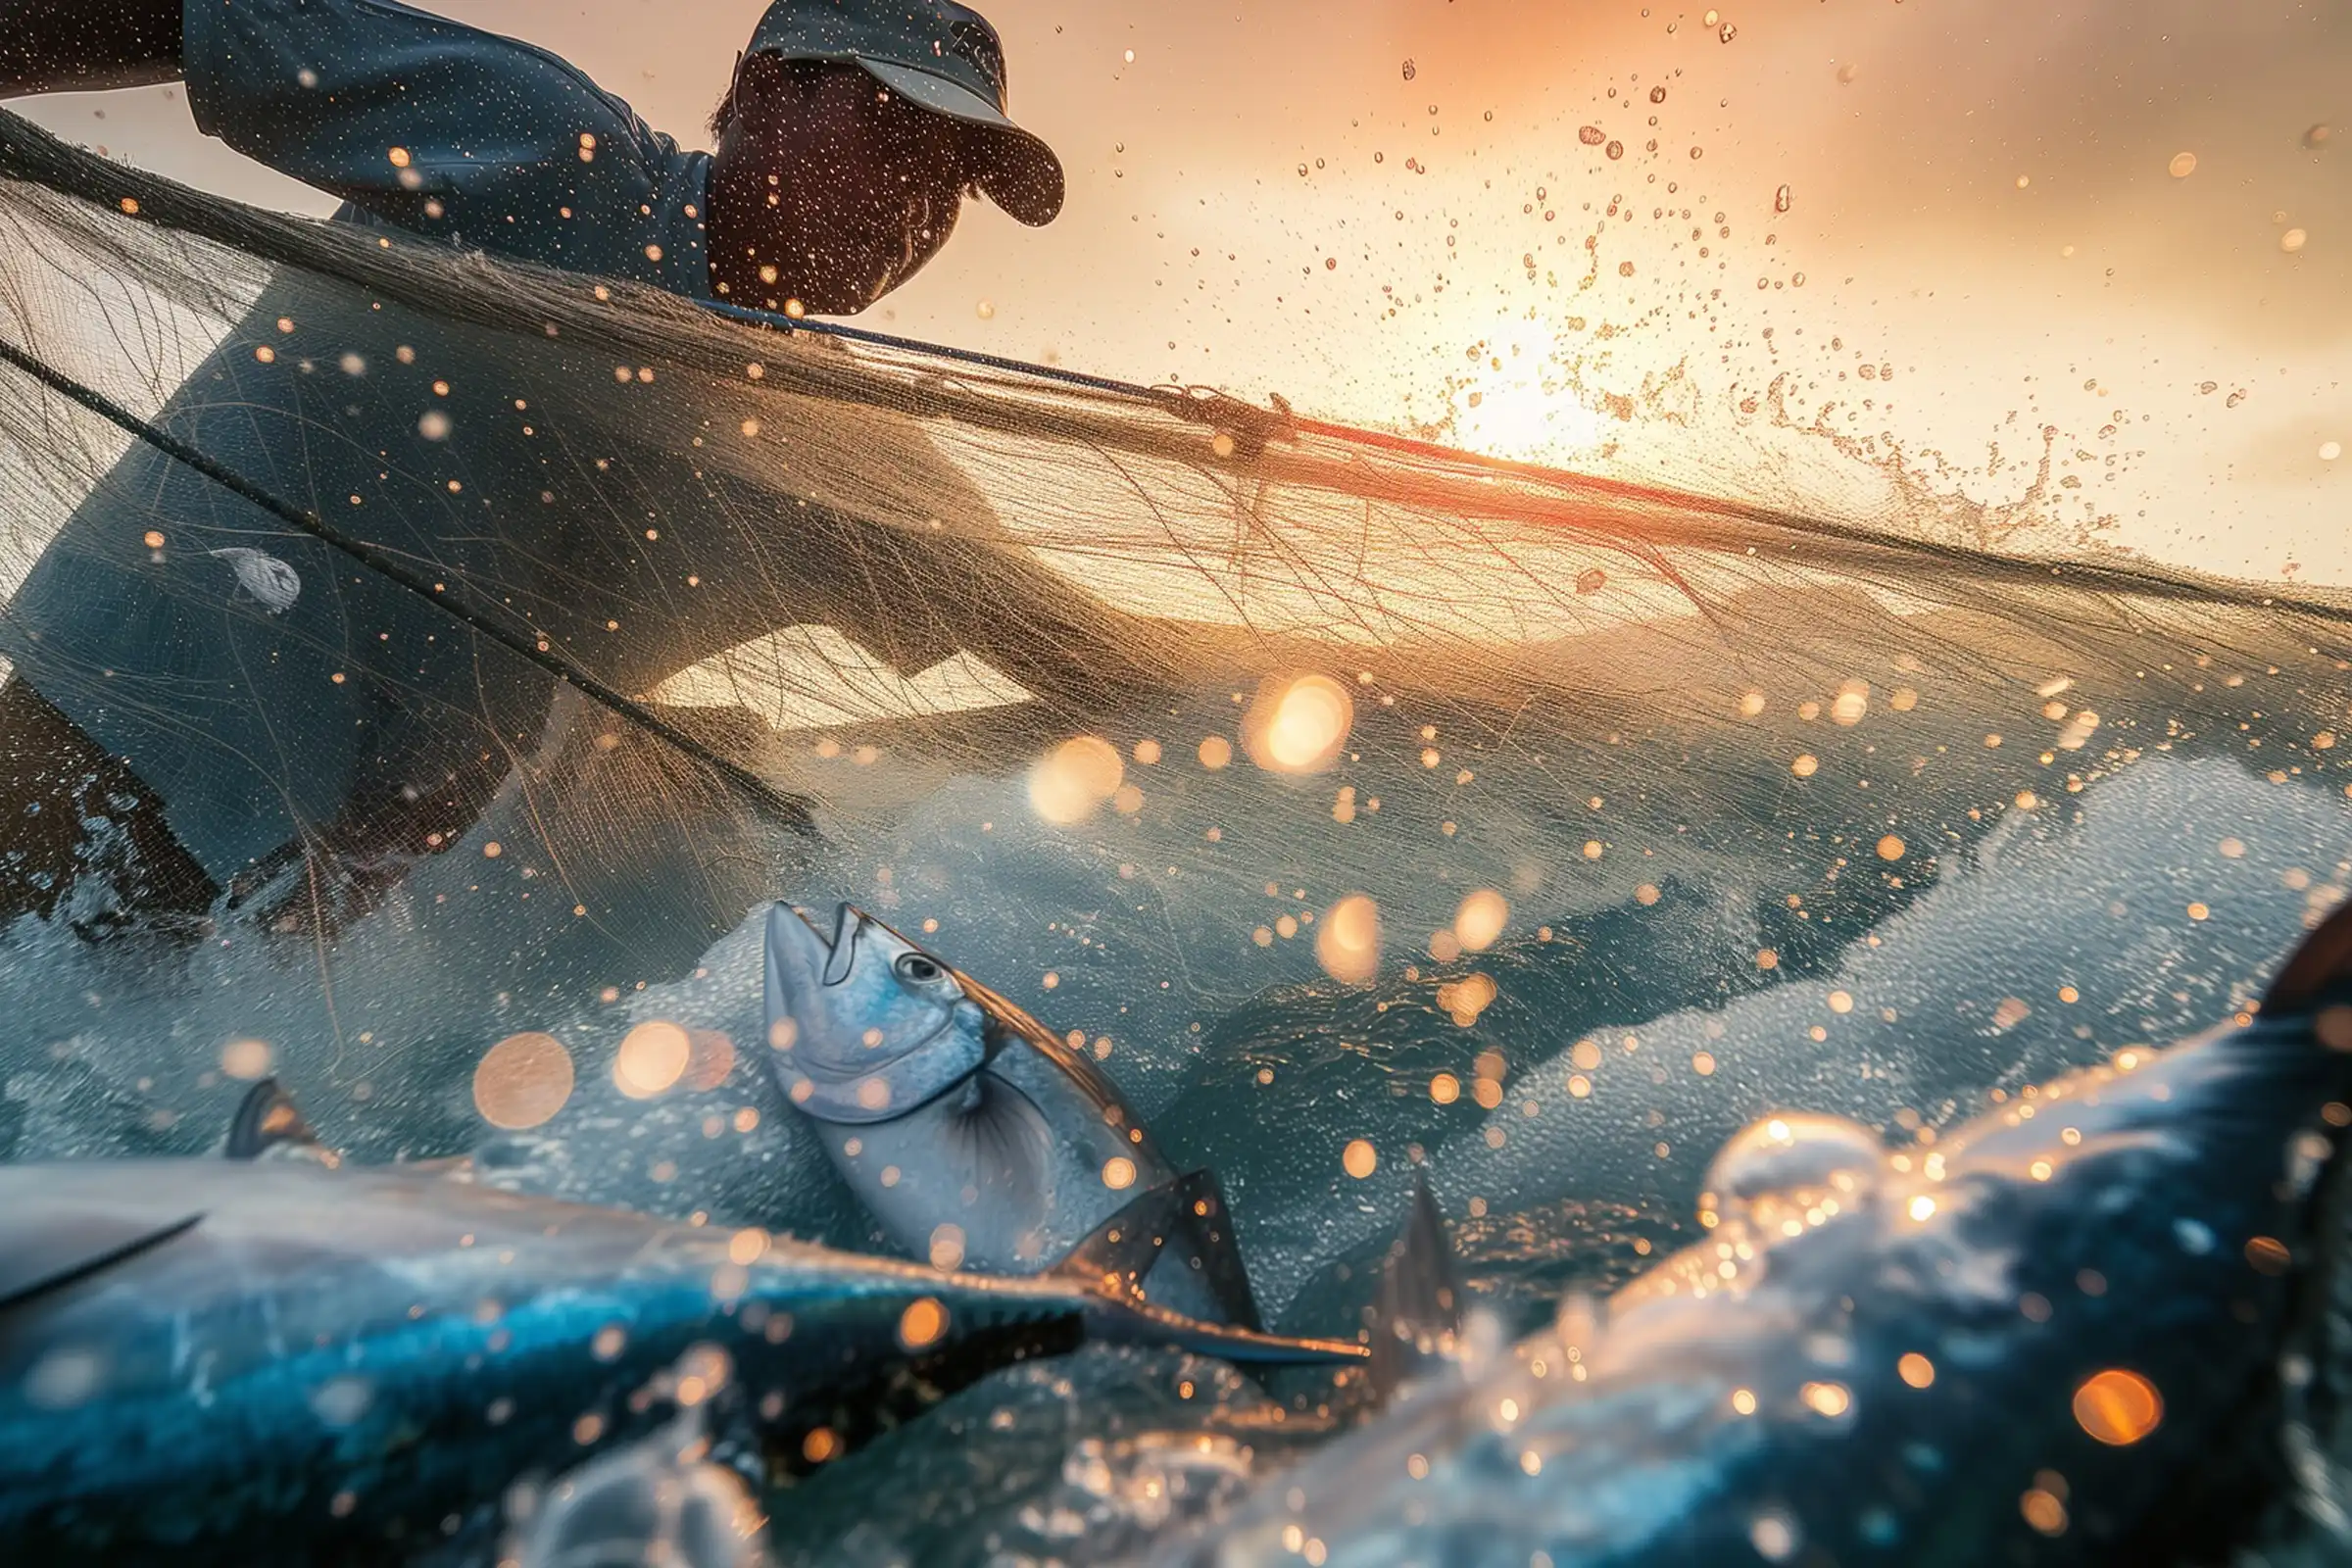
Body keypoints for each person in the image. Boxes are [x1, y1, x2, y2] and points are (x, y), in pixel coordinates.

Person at [0, 0, 1067, 947]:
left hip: (277, 923)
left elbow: (1068, 644)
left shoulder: (838, 461)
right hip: (98, 741)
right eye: (895, 132)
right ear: (759, 87)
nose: (917, 205)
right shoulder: (558, 157)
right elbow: (216, 22)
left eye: (953, 181)